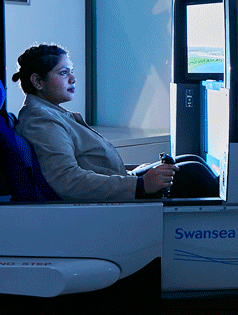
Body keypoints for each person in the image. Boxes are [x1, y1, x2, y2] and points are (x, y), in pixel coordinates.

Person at [12, 44, 218, 201]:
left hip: (119, 186)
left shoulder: (49, 113)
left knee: (192, 160)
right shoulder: (42, 121)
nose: (73, 79)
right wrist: (139, 185)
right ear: (38, 81)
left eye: (71, 71)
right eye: (64, 72)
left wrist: (136, 172)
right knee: (193, 174)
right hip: (108, 207)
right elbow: (68, 181)